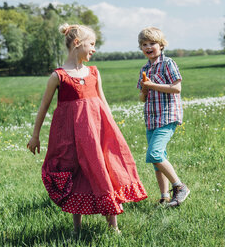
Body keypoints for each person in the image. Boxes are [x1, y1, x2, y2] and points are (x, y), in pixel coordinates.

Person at [27, 23, 147, 233]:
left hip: (98, 134)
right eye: (91, 44)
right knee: (76, 174)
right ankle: (77, 228)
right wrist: (35, 136)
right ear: (77, 43)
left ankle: (113, 227)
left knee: (104, 170)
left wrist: (113, 130)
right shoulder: (58, 76)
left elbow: (103, 101)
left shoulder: (93, 72)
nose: (93, 49)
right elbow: (43, 108)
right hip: (71, 137)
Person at [137, 26, 190, 207]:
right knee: (156, 160)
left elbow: (176, 88)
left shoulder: (168, 63)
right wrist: (145, 89)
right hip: (151, 118)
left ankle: (180, 186)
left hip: (167, 116)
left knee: (154, 153)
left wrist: (152, 85)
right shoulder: (144, 68)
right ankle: (164, 196)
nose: (148, 47)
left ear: (161, 45)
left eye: (152, 43)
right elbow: (143, 98)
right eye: (144, 44)